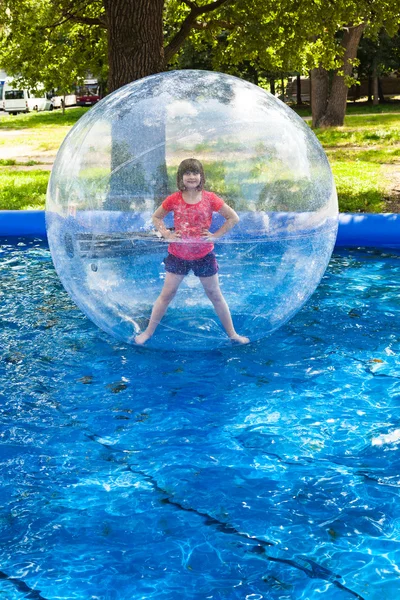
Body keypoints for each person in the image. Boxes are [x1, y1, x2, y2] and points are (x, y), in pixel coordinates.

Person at [135, 158, 249, 346]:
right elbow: (156, 217)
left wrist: (215, 236)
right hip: (178, 255)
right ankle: (148, 332)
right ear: (181, 177)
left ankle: (233, 334)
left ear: (201, 176)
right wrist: (166, 234)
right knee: (167, 294)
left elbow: (233, 217)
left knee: (214, 294)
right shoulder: (174, 199)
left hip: (203, 255)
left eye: (195, 173)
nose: (191, 177)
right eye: (187, 173)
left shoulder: (210, 198)